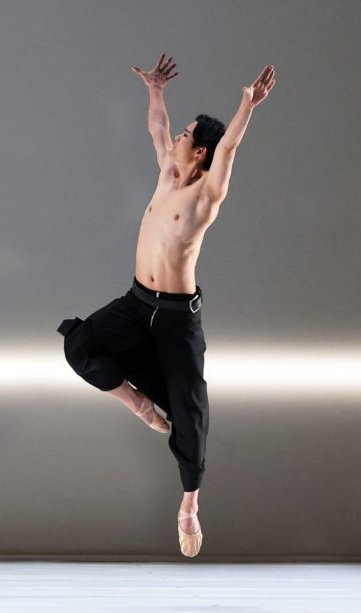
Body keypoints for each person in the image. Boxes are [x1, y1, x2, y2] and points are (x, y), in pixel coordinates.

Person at [59, 55, 276, 557]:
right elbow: (157, 126)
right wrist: (155, 91)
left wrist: (247, 104)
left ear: (200, 152)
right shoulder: (165, 173)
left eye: (184, 135)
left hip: (176, 318)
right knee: (80, 343)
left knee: (191, 412)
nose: (173, 138)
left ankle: (188, 506)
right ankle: (138, 404)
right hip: (136, 304)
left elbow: (231, 149)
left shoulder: (206, 193)